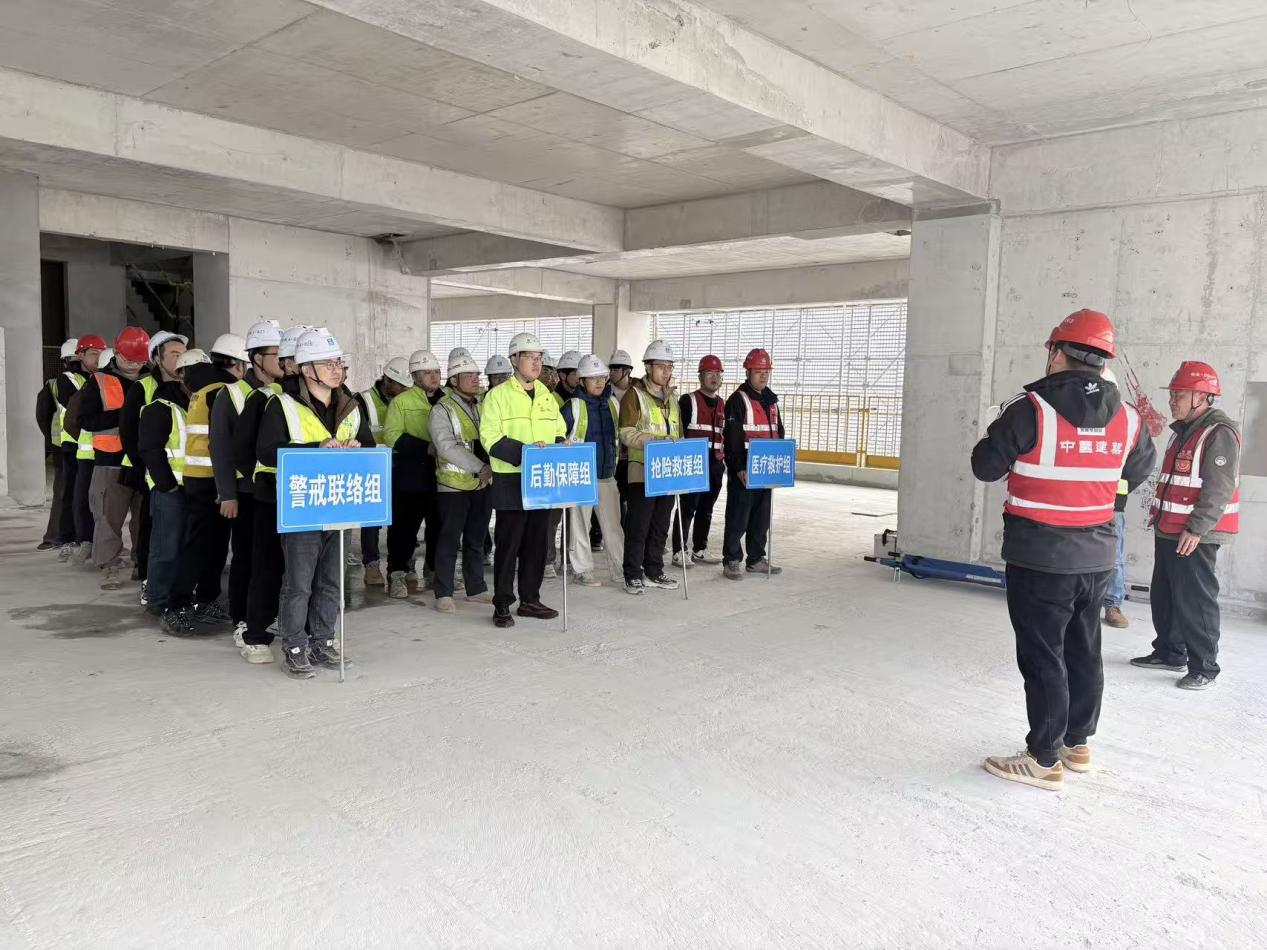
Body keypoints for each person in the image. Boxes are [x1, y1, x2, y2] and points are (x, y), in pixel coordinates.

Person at [972, 309, 1155, 791]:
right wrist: (1098, 498)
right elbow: (1135, 473)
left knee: (1043, 655)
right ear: (1103, 362)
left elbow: (985, 468)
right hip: (1097, 556)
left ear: (1056, 353)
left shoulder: (1030, 409)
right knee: (1083, 648)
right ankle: (1077, 744)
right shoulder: (1129, 418)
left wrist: (998, 434)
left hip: (1040, 557)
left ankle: (1043, 758)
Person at [256, 329, 371, 678]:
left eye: (339, 363)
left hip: (339, 504)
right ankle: (294, 646)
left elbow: (368, 444)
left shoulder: (352, 406)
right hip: (303, 506)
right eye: (327, 363)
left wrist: (357, 448)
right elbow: (266, 452)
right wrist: (314, 448)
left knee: (332, 581)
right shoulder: (282, 405)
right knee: (299, 583)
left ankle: (323, 641)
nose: (337, 370)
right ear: (307, 370)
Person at [1131, 361, 1240, 691]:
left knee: (1196, 600)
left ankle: (1205, 666)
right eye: (1172, 395)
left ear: (1201, 397)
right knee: (1164, 595)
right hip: (1169, 527)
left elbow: (1219, 487)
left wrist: (1197, 528)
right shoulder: (1182, 432)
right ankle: (1170, 652)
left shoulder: (1218, 433)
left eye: (1178, 395)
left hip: (1195, 533)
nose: (1172, 401)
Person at [479, 331, 565, 627]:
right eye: (529, 357)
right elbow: (490, 437)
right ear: (514, 360)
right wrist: (526, 453)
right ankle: (502, 603)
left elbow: (559, 430)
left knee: (536, 543)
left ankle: (530, 599)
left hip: (541, 480)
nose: (536, 363)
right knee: (509, 544)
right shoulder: (498, 396)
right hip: (511, 479)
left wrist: (561, 443)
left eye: (539, 358)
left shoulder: (546, 396)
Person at [210, 321, 285, 652]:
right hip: (245, 491)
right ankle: (241, 618)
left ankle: (268, 614)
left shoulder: (285, 392)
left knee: (273, 559)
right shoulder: (232, 394)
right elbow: (221, 447)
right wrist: (227, 493)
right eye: (276, 354)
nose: (283, 360)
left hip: (276, 491)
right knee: (246, 558)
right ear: (256, 358)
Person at [235, 325, 305, 664]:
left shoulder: (325, 399)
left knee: (304, 570)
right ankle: (256, 633)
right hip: (271, 495)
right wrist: (256, 484)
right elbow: (243, 449)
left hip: (309, 496)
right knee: (267, 565)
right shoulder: (265, 398)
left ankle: (300, 629)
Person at [177, 333, 251, 630]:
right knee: (201, 547)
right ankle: (178, 605)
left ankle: (205, 599)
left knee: (212, 545)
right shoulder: (222, 391)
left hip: (201, 478)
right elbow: (224, 442)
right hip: (210, 480)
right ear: (239, 365)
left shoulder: (203, 386)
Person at [139, 348, 214, 635]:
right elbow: (150, 449)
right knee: (166, 549)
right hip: (171, 491)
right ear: (180, 376)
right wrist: (168, 485)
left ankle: (182, 600)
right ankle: (159, 602)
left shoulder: (202, 404)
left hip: (198, 489)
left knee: (189, 550)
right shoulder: (162, 407)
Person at [79, 326, 159, 590]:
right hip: (111, 460)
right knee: (108, 518)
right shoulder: (100, 381)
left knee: (143, 518)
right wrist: (125, 415)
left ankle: (140, 562)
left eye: (139, 360)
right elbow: (86, 420)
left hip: (142, 461)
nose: (134, 365)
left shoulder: (151, 381)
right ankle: (109, 565)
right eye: (129, 359)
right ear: (117, 353)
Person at [119, 329, 187, 600]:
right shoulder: (143, 387)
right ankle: (149, 580)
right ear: (157, 359)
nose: (180, 358)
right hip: (154, 474)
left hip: (182, 477)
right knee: (151, 529)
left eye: (183, 353)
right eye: (174, 354)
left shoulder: (188, 386)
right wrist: (148, 469)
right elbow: (129, 433)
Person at [429, 351, 494, 612]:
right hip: (453, 486)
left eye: (477, 374)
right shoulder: (441, 409)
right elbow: (446, 446)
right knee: (449, 540)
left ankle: (476, 588)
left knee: (476, 539)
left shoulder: (481, 406)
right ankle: (443, 592)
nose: (476, 379)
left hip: (481, 484)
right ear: (454, 380)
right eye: (469, 375)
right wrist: (480, 467)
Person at [618, 339, 682, 595]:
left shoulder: (673, 398)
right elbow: (626, 433)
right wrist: (656, 442)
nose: (666, 372)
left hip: (667, 472)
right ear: (647, 367)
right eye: (661, 366)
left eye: (669, 367)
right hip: (642, 471)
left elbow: (678, 434)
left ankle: (654, 571)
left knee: (660, 526)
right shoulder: (635, 395)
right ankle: (633, 573)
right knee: (639, 526)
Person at [383, 349, 443, 598]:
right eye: (427, 373)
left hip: (442, 476)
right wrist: (425, 447)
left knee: (438, 527)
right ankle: (397, 572)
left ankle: (434, 570)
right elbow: (391, 436)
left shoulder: (447, 401)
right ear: (415, 377)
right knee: (404, 529)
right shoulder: (402, 402)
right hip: (410, 476)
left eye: (436, 372)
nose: (434, 377)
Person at [561, 354, 625, 586]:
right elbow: (557, 436)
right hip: (581, 478)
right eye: (592, 378)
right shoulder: (572, 407)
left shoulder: (613, 404)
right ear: (581, 381)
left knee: (613, 526)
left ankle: (620, 568)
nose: (599, 382)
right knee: (580, 526)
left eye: (602, 377)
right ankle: (583, 570)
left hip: (607, 475)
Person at [721, 348, 784, 580]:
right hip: (745, 470)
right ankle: (732, 560)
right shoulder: (738, 400)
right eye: (758, 371)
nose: (763, 375)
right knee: (738, 517)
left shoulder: (771, 401)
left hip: (766, 469)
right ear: (748, 372)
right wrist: (738, 467)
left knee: (761, 517)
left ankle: (756, 559)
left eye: (766, 371)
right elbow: (732, 437)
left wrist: (780, 465)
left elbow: (779, 433)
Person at [357, 355, 411, 587]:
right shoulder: (363, 401)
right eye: (401, 386)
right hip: (372, 468)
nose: (405, 392)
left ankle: (401, 564)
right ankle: (371, 564)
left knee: (401, 519)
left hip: (400, 468)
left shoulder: (406, 400)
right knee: (372, 520)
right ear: (388, 381)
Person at [673, 354, 727, 567]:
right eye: (709, 374)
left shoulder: (722, 404)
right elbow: (679, 433)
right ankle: (679, 550)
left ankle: (700, 549)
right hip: (693, 464)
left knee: (707, 508)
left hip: (715, 464)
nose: (714, 378)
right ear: (700, 376)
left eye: (717, 374)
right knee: (687, 508)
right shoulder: (688, 401)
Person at [57, 335, 104, 564]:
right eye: (93, 353)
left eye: (100, 353)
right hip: (76, 448)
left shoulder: (105, 378)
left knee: (101, 500)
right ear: (80, 356)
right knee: (77, 497)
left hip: (103, 450)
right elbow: (72, 416)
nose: (98, 358)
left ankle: (97, 542)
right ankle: (79, 539)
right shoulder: (69, 380)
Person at [40, 338, 86, 552]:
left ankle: (69, 535)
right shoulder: (64, 381)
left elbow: (42, 416)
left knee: (72, 492)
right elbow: (43, 416)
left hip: (75, 445)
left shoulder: (85, 379)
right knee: (66, 492)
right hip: (69, 446)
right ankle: (58, 536)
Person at [608, 348, 635, 527]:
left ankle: (627, 532)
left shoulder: (638, 392)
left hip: (633, 455)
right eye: (611, 369)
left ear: (626, 371)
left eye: (615, 369)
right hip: (613, 454)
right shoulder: (604, 391)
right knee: (611, 498)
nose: (611, 373)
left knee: (631, 499)